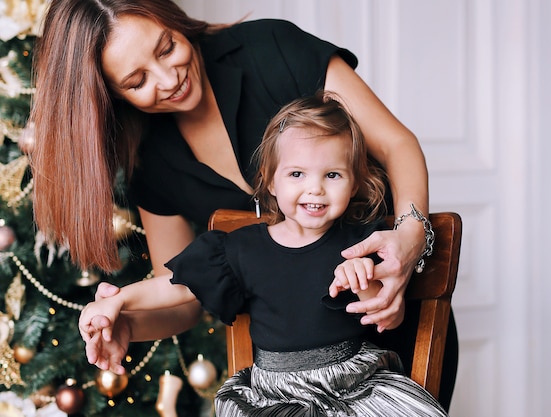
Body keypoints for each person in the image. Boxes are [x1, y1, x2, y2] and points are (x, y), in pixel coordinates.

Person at [30, 0, 457, 409]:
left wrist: (410, 236)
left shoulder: (272, 48)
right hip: (287, 380)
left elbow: (396, 143)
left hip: (392, 342)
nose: (168, 78)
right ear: (110, 96)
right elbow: (185, 295)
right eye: (137, 82)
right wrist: (128, 324)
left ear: (173, 20)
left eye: (167, 47)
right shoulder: (149, 161)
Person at [79, 93, 448, 417]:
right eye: (297, 174)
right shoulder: (240, 248)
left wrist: (363, 278)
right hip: (272, 398)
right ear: (271, 180)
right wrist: (120, 301)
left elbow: (389, 317)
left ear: (354, 182)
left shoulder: (365, 243)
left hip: (351, 389)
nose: (314, 188)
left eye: (333, 174)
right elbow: (177, 288)